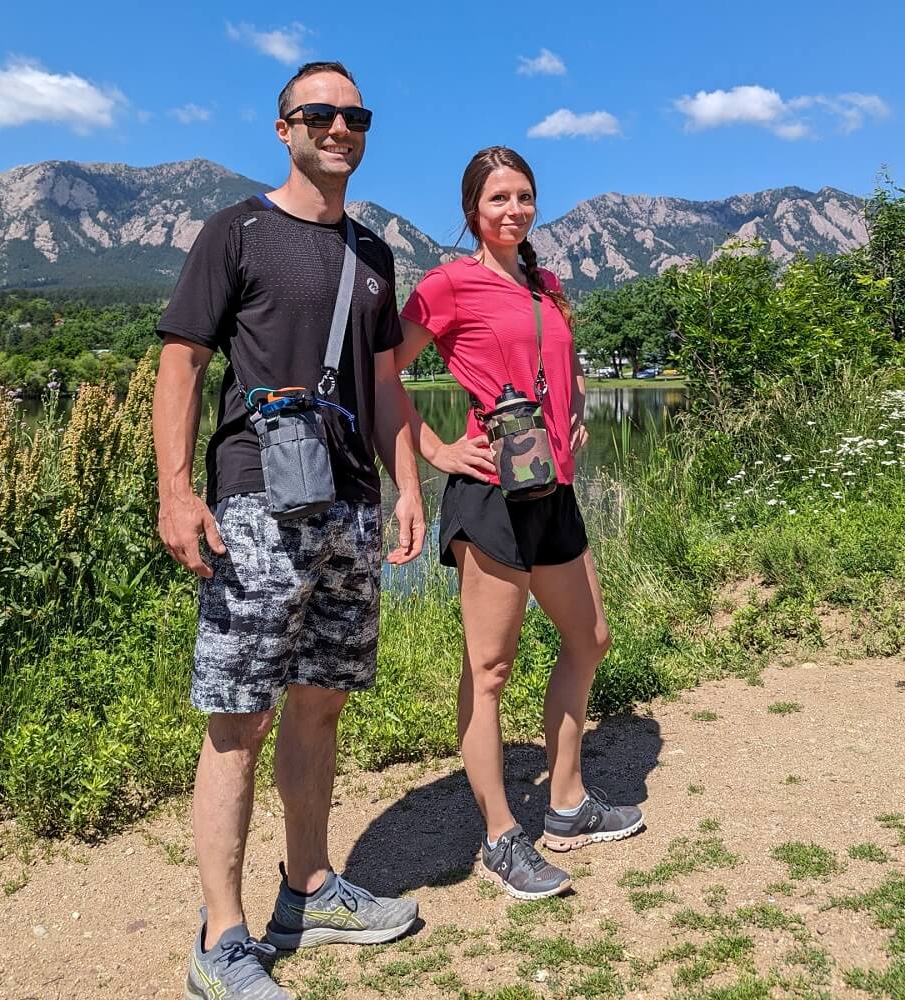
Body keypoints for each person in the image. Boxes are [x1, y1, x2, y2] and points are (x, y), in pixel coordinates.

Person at [153, 61, 425, 1000]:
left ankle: (308, 889)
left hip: (350, 507)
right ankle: (221, 939)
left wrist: (408, 487)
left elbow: (387, 387)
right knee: (240, 721)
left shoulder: (376, 254)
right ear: (285, 128)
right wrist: (176, 490)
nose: (339, 127)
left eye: (355, 115)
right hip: (256, 507)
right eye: (320, 113)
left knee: (319, 703)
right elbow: (183, 362)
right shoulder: (237, 231)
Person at [395, 146, 644, 901]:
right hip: (491, 499)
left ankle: (565, 804)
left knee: (590, 637)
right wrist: (437, 447)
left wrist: (572, 426)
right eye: (498, 198)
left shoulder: (548, 284)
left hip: (554, 490)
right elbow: (381, 373)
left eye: (524, 196)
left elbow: (554, 372)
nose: (513, 210)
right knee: (490, 670)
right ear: (473, 207)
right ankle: (502, 835)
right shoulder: (447, 284)